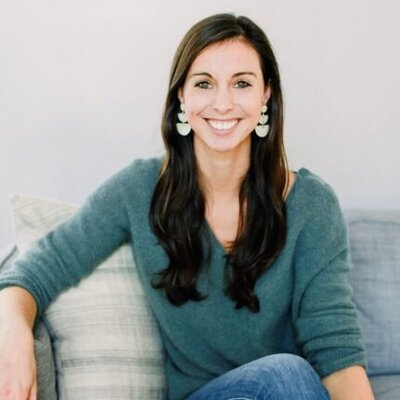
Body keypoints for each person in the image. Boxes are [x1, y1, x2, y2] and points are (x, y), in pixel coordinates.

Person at [0, 13, 374, 400]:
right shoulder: (139, 190)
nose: (223, 103)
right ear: (182, 96)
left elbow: (336, 354)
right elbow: (35, 271)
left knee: (287, 375)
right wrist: (13, 335)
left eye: (242, 84)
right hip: (205, 395)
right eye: (204, 84)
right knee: (284, 373)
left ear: (266, 96)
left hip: (284, 391)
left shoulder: (311, 205)